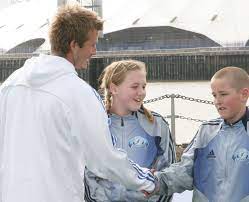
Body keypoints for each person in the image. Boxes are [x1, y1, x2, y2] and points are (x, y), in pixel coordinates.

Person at [0, 4, 156, 202]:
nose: (94, 51)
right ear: (74, 45)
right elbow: (104, 158)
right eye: (92, 44)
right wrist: (146, 179)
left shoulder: (11, 84)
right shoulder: (78, 92)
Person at [152, 66, 249, 202]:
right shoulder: (206, 131)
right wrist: (153, 181)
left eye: (223, 94)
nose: (217, 101)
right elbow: (185, 171)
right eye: (214, 95)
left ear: (244, 94)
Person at [84, 60, 176, 202]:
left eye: (144, 86)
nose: (142, 92)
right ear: (114, 88)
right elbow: (86, 174)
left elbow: (167, 177)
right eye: (134, 87)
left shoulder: (157, 125)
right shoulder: (94, 125)